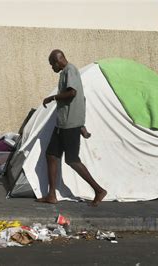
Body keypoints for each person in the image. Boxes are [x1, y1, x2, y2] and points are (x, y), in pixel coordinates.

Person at [36, 49, 107, 206]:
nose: (51, 68)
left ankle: (99, 190)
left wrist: (52, 97)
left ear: (57, 61)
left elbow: (73, 93)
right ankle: (52, 195)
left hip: (70, 125)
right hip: (62, 123)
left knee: (72, 160)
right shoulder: (65, 73)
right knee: (51, 155)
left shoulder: (71, 70)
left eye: (51, 64)